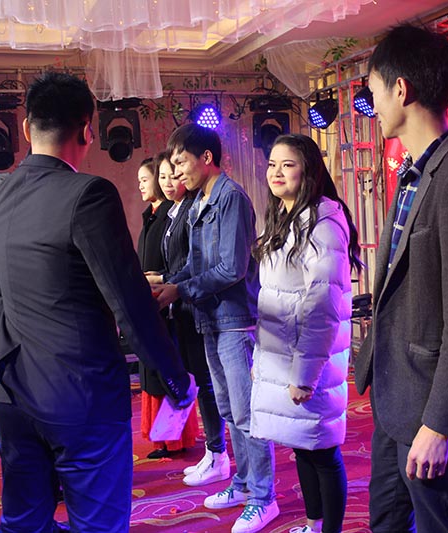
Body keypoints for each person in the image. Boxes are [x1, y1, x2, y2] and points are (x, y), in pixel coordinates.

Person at [0, 71, 195, 533]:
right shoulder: (89, 194)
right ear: (87, 131)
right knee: (98, 524)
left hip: (12, 393)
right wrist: (176, 378)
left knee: (23, 523)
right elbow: (128, 301)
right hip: (80, 394)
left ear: (26, 128)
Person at [353, 24, 448, 533]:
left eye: (374, 90)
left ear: (401, 89)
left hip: (432, 404)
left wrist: (439, 423)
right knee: (386, 521)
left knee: (439, 524)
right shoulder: (414, 172)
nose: (372, 105)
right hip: (396, 394)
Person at [153, 123, 279, 533]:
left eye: (181, 163)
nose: (176, 172)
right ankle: (242, 483)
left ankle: (264, 498)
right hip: (210, 317)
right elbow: (195, 263)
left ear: (206, 158)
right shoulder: (199, 201)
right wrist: (170, 283)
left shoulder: (231, 198)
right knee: (228, 409)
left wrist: (180, 289)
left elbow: (231, 268)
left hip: (235, 320)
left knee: (246, 413)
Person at [250, 134, 361, 533]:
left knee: (322, 452)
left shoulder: (323, 222)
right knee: (303, 446)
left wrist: (304, 374)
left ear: (309, 171)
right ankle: (314, 525)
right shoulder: (285, 218)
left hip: (310, 361)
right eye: (272, 164)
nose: (276, 172)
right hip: (285, 357)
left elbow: (321, 306)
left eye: (288, 164)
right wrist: (264, 361)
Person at [145, 151, 229, 486]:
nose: (171, 180)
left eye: (176, 171)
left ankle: (219, 453)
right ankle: (214, 451)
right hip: (182, 302)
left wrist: (168, 282)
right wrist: (166, 281)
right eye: (164, 175)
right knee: (203, 382)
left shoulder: (207, 204)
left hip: (197, 304)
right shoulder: (174, 211)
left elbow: (206, 264)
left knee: (209, 384)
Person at [134, 156, 198, 459]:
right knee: (155, 372)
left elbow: (182, 262)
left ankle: (176, 438)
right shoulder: (157, 215)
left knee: (173, 372)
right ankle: (164, 437)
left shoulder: (175, 215)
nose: (165, 182)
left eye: (146, 179)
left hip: (174, 301)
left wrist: (161, 279)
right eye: (159, 177)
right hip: (158, 300)